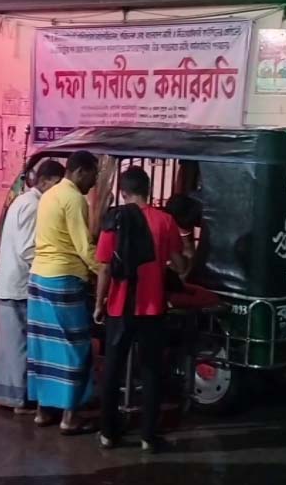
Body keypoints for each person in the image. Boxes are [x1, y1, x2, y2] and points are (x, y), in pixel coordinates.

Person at [95, 166, 188, 453]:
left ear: (123, 192)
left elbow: (104, 267)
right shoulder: (165, 220)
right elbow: (180, 265)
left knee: (112, 370)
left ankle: (108, 433)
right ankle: (148, 436)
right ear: (148, 190)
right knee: (150, 371)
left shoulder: (115, 219)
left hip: (119, 306)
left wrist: (99, 303)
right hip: (152, 308)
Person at [27, 150, 100, 435]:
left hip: (39, 277)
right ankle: (70, 417)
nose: (94, 182)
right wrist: (104, 269)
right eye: (93, 175)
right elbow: (83, 246)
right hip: (64, 279)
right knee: (75, 347)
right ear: (80, 171)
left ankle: (43, 411)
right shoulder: (74, 198)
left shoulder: (49, 195)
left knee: (45, 346)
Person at [0, 160, 66, 412]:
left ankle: (10, 396)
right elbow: (28, 249)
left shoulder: (23, 202)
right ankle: (20, 399)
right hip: (19, 284)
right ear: (43, 181)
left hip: (12, 282)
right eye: (56, 184)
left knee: (11, 345)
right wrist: (51, 266)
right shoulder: (34, 206)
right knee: (19, 345)